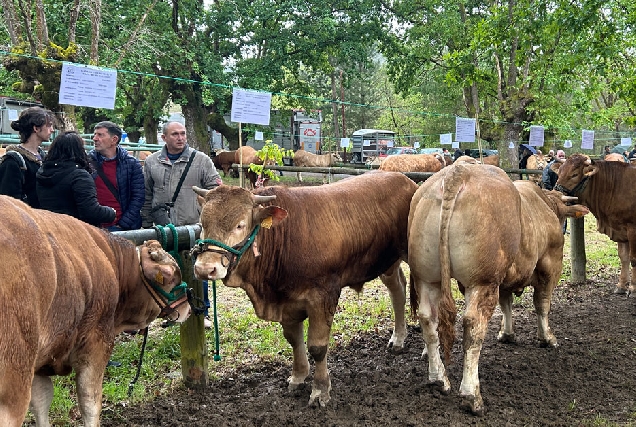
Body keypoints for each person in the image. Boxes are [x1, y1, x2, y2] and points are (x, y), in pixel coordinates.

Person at [141, 121, 222, 328]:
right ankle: (172, 311)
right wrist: (146, 223)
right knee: (167, 271)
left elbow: (217, 193)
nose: (180, 138)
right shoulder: (152, 162)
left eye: (183, 133)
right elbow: (147, 195)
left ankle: (201, 311)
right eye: (175, 134)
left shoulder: (201, 160)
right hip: (163, 227)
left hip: (192, 226)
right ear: (164, 137)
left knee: (197, 271)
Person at [36, 131, 116, 227]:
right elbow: (90, 211)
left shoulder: (43, 172)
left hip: (50, 228)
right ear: (79, 150)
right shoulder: (80, 177)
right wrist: (111, 213)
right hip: (76, 231)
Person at [89, 121, 144, 231]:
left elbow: (138, 197)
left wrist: (123, 224)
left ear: (114, 139)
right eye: (95, 134)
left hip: (121, 227)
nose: (95, 138)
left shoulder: (131, 164)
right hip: (93, 227)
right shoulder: (86, 162)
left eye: (100, 135)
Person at [0, 106, 55, 208]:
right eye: (49, 125)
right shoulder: (12, 162)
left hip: (43, 220)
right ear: (36, 128)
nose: (52, 130)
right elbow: (9, 203)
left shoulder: (44, 157)